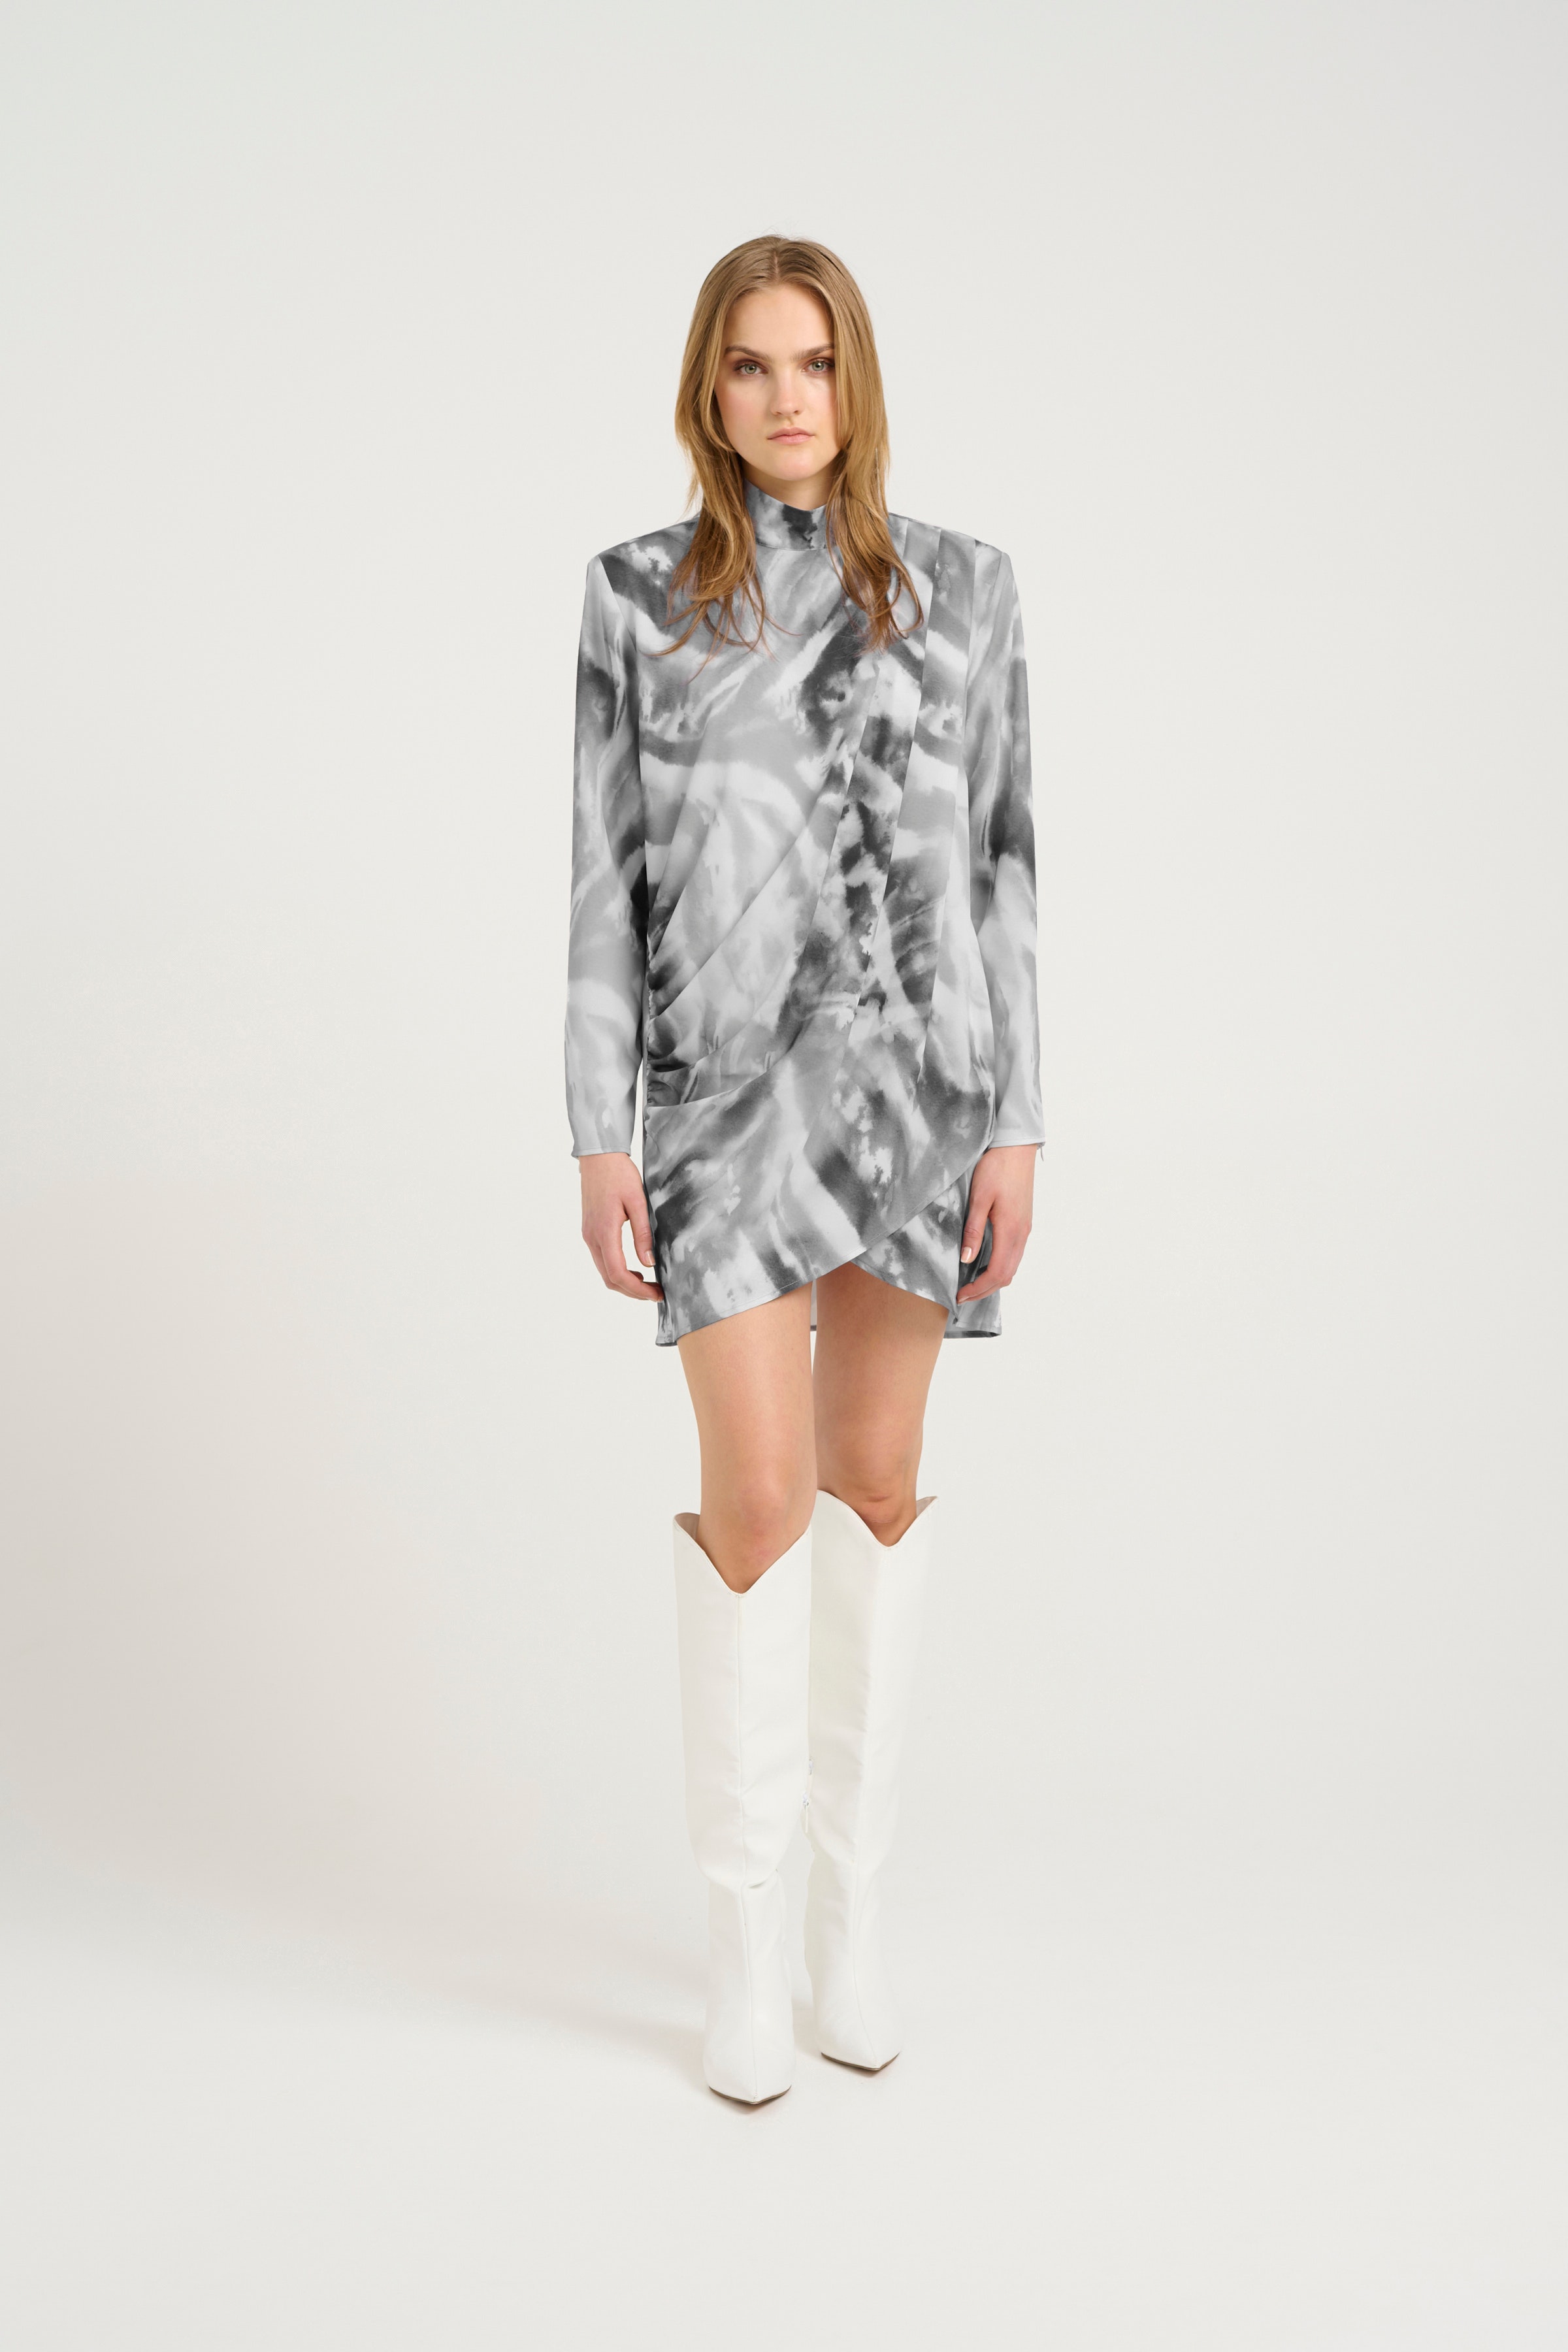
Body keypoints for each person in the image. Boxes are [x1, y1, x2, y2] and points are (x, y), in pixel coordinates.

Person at [566, 234, 1042, 2104]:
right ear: (710, 386)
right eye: (753, 365)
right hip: (721, 1110)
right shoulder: (635, 599)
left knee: (879, 1485)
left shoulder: (967, 589)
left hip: (921, 1101)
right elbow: (604, 878)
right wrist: (596, 1125)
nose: (787, 398)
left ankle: (852, 1922)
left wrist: (1019, 1122)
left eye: (816, 363)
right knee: (757, 1499)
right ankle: (745, 1947)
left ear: (858, 384)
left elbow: (1005, 869)